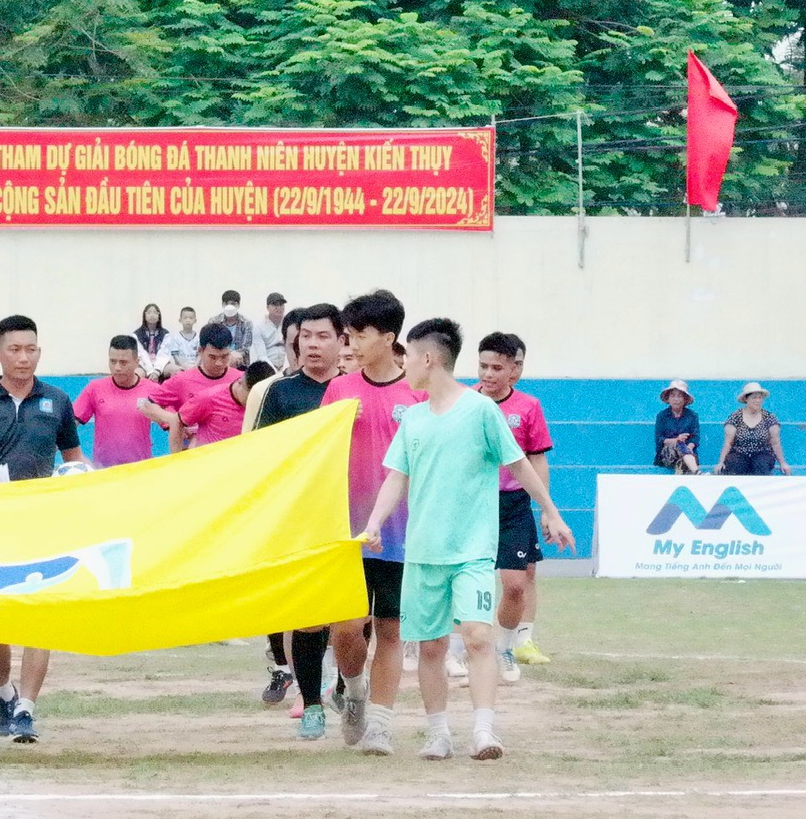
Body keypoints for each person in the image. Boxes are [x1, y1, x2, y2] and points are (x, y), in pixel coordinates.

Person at [360, 317, 574, 762]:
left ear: (428, 359)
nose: (404, 363)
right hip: (423, 553)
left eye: (408, 355)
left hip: (472, 551)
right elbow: (396, 478)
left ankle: (484, 732)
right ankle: (438, 733)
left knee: (477, 636)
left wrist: (551, 513)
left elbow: (519, 465)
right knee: (432, 646)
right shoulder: (413, 419)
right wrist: (375, 523)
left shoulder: (481, 412)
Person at [0, 314, 83, 744]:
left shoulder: (58, 401)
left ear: (39, 353)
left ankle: (26, 708)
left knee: (39, 617)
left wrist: (83, 480)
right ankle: (4, 693)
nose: (23, 357)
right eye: (14, 349)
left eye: (30, 349)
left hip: (43, 525)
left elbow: (73, 459)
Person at [321, 290, 422, 748]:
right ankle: (354, 690)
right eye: (349, 335)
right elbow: (319, 454)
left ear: (388, 337)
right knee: (346, 628)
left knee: (391, 629)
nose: (352, 344)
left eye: (360, 335)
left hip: (402, 533)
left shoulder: (417, 393)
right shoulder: (339, 390)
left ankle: (380, 723)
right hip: (349, 531)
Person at [246, 303, 344, 720]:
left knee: (350, 615)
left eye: (323, 336)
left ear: (341, 341)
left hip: (348, 513)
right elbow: (259, 453)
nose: (313, 345)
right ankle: (309, 694)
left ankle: (344, 684)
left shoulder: (353, 389)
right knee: (303, 611)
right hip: (298, 517)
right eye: (306, 337)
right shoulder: (279, 392)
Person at [476, 332, 554, 684]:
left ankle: (505, 648)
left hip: (513, 505)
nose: (488, 374)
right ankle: (458, 650)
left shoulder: (528, 407)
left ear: (513, 370)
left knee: (517, 584)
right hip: (473, 504)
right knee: (465, 581)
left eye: (497, 368)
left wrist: (547, 509)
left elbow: (536, 461)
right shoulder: (466, 402)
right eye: (483, 366)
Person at [146, 330, 245, 450]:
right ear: (200, 351)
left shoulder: (241, 380)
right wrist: (173, 421)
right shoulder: (183, 380)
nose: (219, 363)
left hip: (233, 449)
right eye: (212, 357)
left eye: (224, 356)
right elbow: (146, 405)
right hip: (192, 450)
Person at [73, 335, 158, 468]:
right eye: (113, 361)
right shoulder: (95, 389)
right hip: (105, 471)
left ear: (137, 362)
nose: (117, 367)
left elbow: (175, 422)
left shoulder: (153, 390)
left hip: (141, 470)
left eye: (123, 362)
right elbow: (69, 425)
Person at [714, 383, 792, 475]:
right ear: (746, 399)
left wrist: (783, 463)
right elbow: (728, 442)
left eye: (760, 398)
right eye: (754, 398)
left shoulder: (769, 417)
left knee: (761, 465)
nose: (757, 400)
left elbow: (775, 442)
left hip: (762, 454)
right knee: (735, 464)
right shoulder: (735, 417)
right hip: (739, 453)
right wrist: (720, 462)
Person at [654, 381, 701, 473]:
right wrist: (676, 440)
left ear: (685, 399)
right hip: (668, 455)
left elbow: (695, 438)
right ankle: (696, 472)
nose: (676, 399)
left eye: (679, 396)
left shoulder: (692, 416)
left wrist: (689, 448)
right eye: (673, 396)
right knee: (680, 444)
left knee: (685, 452)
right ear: (668, 398)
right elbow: (660, 439)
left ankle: (687, 466)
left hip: (689, 454)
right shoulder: (662, 416)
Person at [250, 293, 291, 371]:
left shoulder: (290, 324)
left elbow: (291, 349)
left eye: (281, 304)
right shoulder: (259, 327)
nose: (279, 308)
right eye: (275, 304)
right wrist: (273, 371)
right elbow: (262, 355)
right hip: (267, 367)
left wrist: (285, 369)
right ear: (267, 307)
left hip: (288, 364)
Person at [159, 305, 203, 376]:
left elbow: (200, 354)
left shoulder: (199, 337)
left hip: (196, 367)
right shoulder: (176, 337)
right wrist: (184, 367)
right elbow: (175, 356)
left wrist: (195, 366)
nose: (188, 320)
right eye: (185, 318)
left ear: (195, 320)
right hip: (181, 367)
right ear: (180, 320)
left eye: (191, 318)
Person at [131, 303, 172, 378]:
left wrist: (157, 371)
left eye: (155, 312)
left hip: (161, 365)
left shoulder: (165, 334)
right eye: (149, 312)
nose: (152, 315)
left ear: (159, 316)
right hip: (144, 365)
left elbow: (164, 354)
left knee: (176, 370)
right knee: (137, 374)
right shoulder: (136, 335)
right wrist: (150, 371)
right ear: (144, 316)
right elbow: (141, 354)